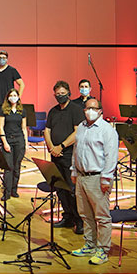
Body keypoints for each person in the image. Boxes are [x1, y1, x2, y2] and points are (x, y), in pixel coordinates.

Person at [70, 98, 118, 265]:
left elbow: (111, 156)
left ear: (100, 111)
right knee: (85, 214)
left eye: (93, 108)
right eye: (87, 108)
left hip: (97, 178)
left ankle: (103, 249)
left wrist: (106, 178)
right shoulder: (82, 127)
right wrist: (74, 170)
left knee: (102, 216)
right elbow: (76, 150)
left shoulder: (107, 130)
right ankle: (89, 244)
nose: (89, 110)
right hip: (82, 176)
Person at [45, 80, 84, 234]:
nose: (60, 96)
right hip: (55, 155)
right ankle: (67, 216)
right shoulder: (53, 111)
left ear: (69, 93)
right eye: (58, 94)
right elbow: (47, 130)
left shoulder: (75, 110)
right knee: (60, 188)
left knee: (72, 189)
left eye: (63, 93)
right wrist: (51, 147)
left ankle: (79, 220)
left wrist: (61, 146)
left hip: (69, 155)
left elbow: (77, 132)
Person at [0, 89, 27, 200]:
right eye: (11, 95)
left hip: (19, 140)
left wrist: (26, 142)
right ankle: (6, 192)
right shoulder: (4, 110)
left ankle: (14, 190)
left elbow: (24, 128)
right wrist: (4, 142)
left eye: (15, 95)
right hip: (8, 140)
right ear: (8, 97)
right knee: (8, 167)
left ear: (18, 97)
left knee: (17, 167)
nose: (13, 97)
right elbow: (1, 127)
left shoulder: (22, 111)